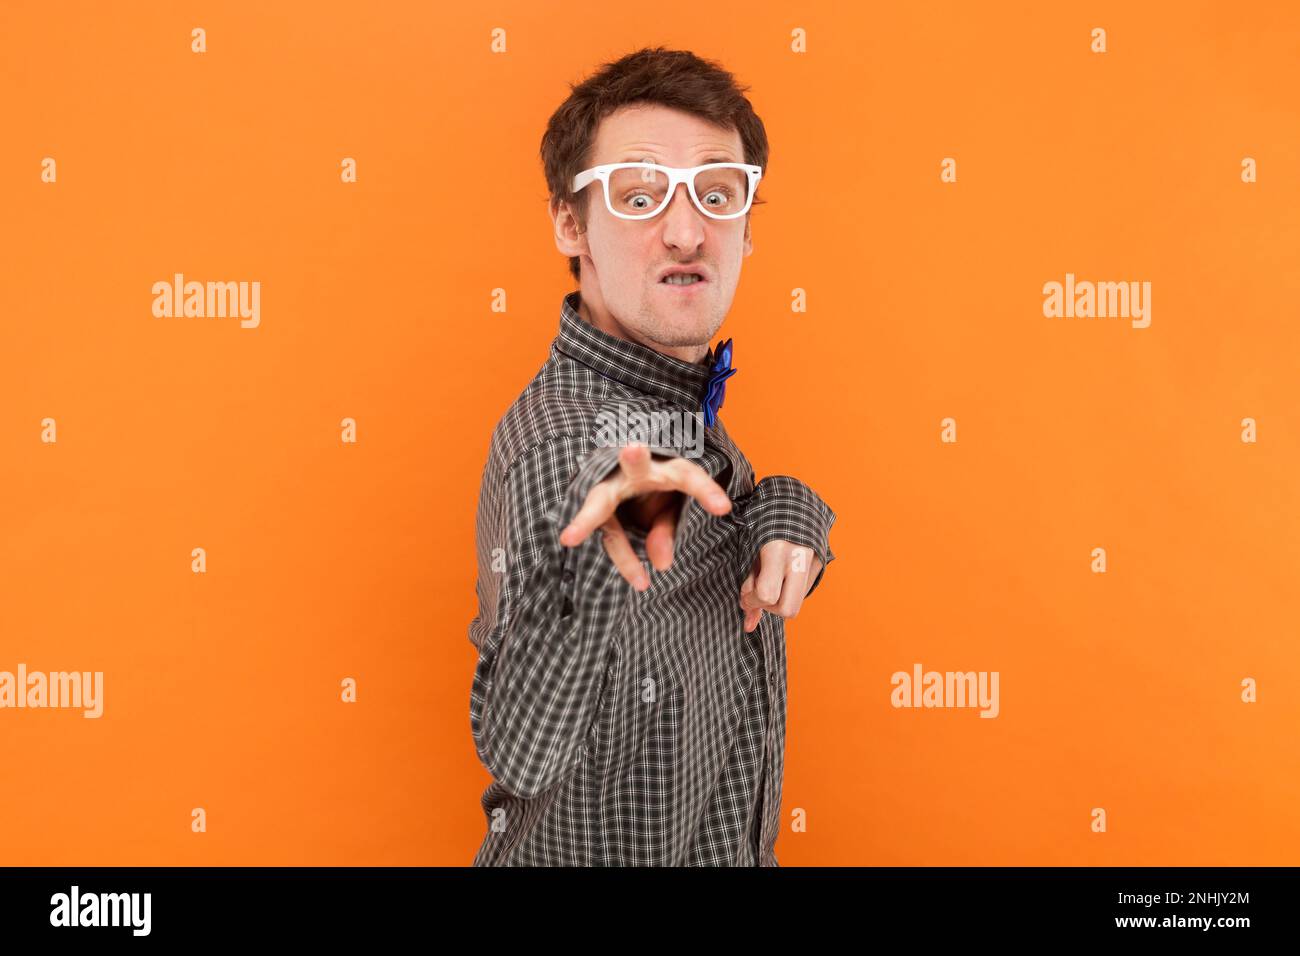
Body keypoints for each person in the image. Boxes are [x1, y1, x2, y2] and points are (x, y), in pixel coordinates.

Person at [467, 46, 837, 866]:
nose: (684, 229)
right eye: (639, 196)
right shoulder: (569, 447)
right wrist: (607, 552)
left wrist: (784, 508)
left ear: (746, 223)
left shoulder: (675, 407)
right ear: (572, 223)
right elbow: (522, 755)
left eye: (716, 194)